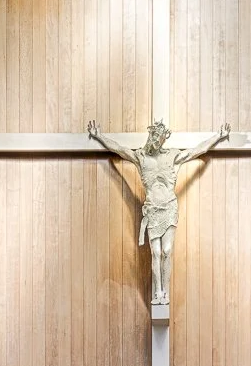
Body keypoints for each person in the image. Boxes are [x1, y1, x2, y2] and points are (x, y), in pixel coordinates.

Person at [86, 118, 231, 305]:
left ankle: (166, 293)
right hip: (153, 210)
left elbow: (197, 151)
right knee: (155, 252)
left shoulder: (172, 157)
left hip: (169, 206)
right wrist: (99, 136)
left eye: (159, 137)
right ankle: (158, 293)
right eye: (153, 135)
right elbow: (119, 150)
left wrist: (218, 137)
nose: (155, 139)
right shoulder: (141, 157)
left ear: (164, 139)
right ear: (150, 135)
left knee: (167, 250)